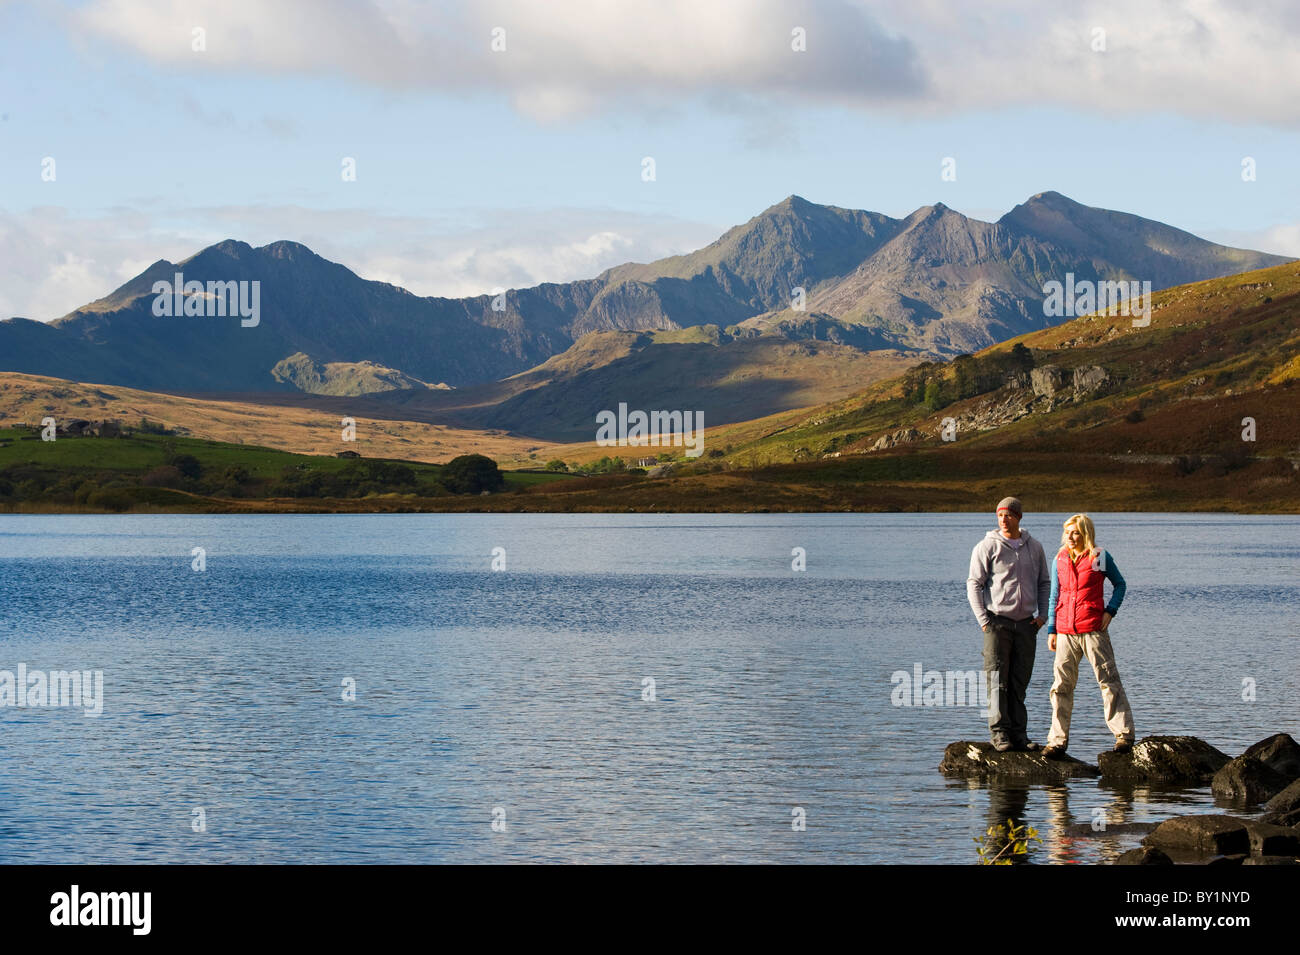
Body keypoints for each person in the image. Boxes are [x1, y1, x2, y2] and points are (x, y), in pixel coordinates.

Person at [1043, 514, 1135, 757]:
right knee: (1060, 686)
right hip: (1065, 631)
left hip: (1093, 629)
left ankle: (1123, 736)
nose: (1071, 538)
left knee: (1108, 681)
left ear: (1086, 534)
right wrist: (1052, 629)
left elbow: (1120, 585)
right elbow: (1055, 595)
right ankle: (1057, 741)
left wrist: (1110, 611)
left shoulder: (1098, 557)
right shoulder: (1060, 559)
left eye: (1076, 533)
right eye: (1068, 533)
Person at [967, 497, 1051, 752]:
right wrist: (984, 620)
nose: (1004, 520)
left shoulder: (1034, 547)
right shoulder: (986, 546)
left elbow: (1045, 582)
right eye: (1000, 515)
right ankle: (999, 733)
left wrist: (1043, 616)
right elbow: (974, 584)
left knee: (1019, 680)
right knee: (996, 680)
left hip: (1027, 624)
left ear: (1019, 517)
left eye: (1009, 515)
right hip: (997, 623)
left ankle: (1019, 734)